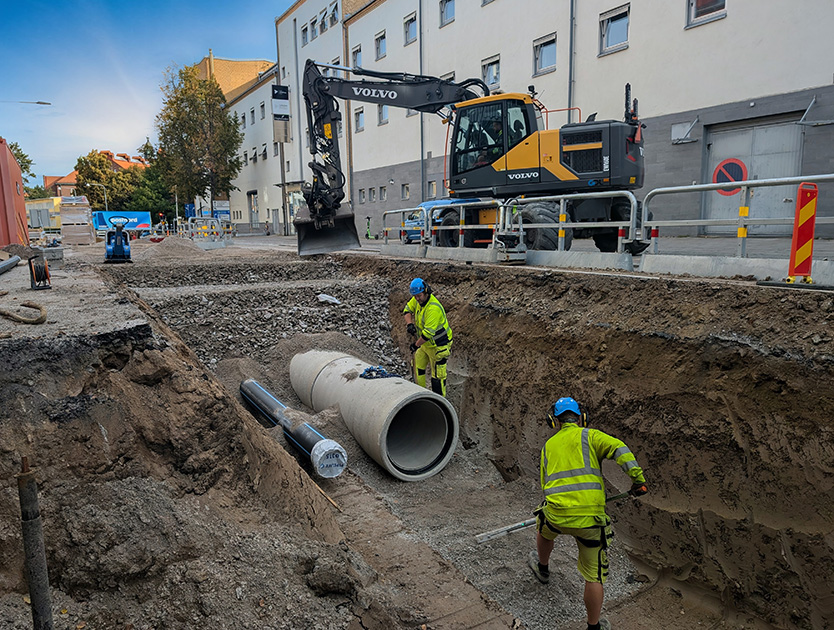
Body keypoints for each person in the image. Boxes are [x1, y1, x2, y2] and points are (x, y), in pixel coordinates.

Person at [529, 397, 648, 630]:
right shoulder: (591, 436)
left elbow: (546, 484)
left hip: (556, 514)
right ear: (582, 418)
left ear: (553, 421)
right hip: (590, 521)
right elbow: (620, 449)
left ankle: (543, 569)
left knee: (543, 526)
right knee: (593, 576)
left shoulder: (548, 446)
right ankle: (593, 626)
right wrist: (638, 481)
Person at [403, 277, 453, 397]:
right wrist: (409, 324)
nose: (416, 299)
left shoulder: (433, 309)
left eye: (419, 295)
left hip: (438, 347)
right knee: (417, 366)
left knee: (437, 378)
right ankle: (420, 395)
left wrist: (416, 345)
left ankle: (440, 403)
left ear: (426, 291)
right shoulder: (417, 300)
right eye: (415, 296)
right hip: (425, 345)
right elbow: (407, 310)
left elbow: (427, 334)